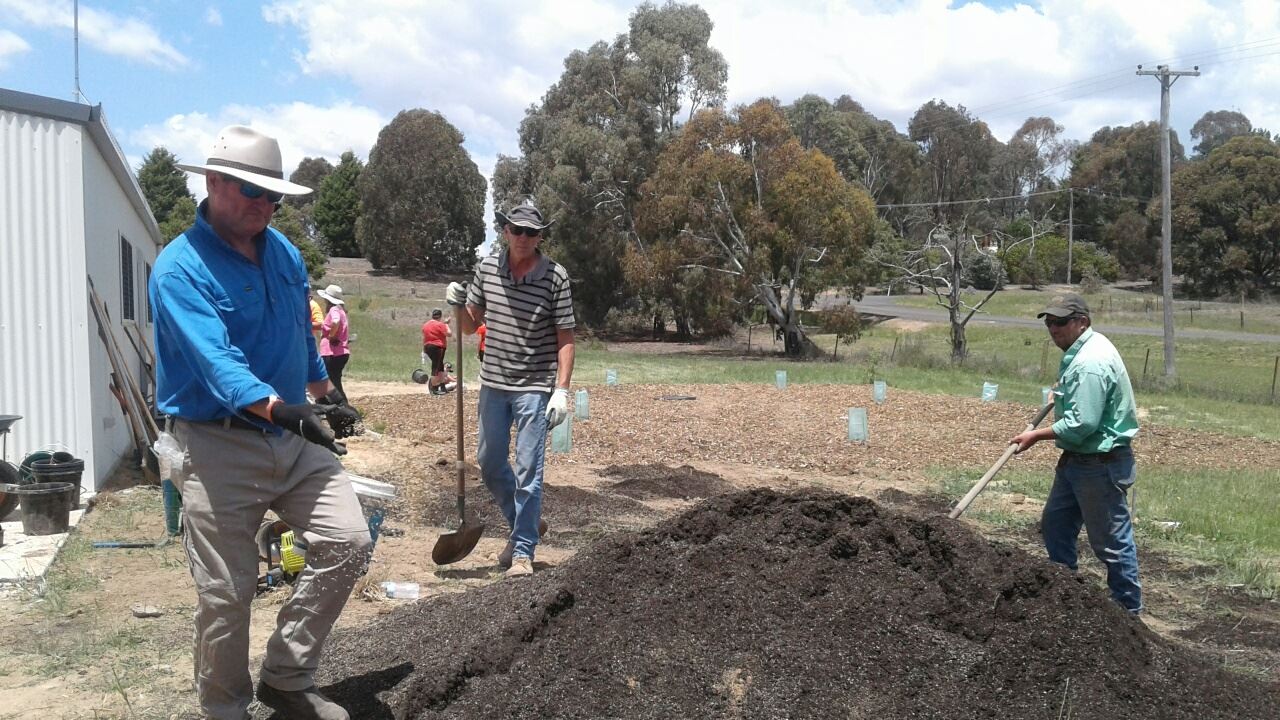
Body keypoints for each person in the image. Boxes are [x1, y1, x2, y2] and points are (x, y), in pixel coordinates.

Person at [152, 125, 371, 720]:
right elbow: (219, 366)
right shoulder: (179, 270)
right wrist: (283, 409)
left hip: (291, 435)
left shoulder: (285, 254)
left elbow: (300, 338)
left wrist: (328, 393)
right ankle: (225, 708)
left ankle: (286, 676)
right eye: (252, 192)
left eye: (274, 196)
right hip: (217, 444)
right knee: (227, 595)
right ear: (212, 181)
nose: (266, 206)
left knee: (349, 542)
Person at [447, 199, 575, 578]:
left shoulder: (556, 277)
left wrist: (562, 390)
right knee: (488, 462)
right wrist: (457, 306)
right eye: (516, 229)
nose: (523, 237)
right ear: (504, 231)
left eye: (531, 232)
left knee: (528, 471)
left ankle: (522, 552)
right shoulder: (487, 269)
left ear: (540, 236)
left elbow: (565, 337)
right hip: (494, 384)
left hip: (535, 386)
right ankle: (527, 523)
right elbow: (470, 326)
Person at [1011, 293, 1141, 615]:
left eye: (1061, 322)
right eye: (1049, 323)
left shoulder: (1090, 363)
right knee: (1056, 526)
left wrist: (1035, 436)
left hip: (1099, 464)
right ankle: (1065, 600)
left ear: (1082, 322)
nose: (1053, 329)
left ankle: (1128, 616)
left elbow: (1082, 424)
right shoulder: (1081, 350)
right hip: (1077, 460)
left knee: (1111, 543)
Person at [317, 284, 351, 401]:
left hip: (332, 353)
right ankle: (340, 407)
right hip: (340, 352)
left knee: (332, 382)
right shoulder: (341, 311)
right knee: (334, 381)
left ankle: (342, 408)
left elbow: (335, 322)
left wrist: (331, 335)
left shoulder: (334, 310)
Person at [420, 307, 453, 394]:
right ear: (440, 316)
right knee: (435, 368)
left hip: (427, 346)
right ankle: (434, 388)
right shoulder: (441, 325)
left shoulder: (426, 325)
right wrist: (446, 324)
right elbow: (449, 334)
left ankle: (442, 387)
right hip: (438, 347)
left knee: (440, 367)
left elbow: (424, 337)